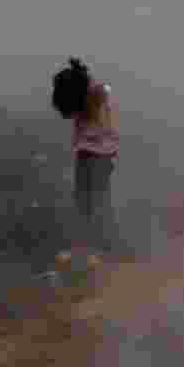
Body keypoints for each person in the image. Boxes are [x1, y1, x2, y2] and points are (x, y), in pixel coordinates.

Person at [51, 58, 120, 251]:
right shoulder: (92, 93)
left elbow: (98, 112)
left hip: (98, 152)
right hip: (93, 151)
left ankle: (95, 245)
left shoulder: (96, 96)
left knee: (92, 200)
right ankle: (88, 243)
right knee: (86, 199)